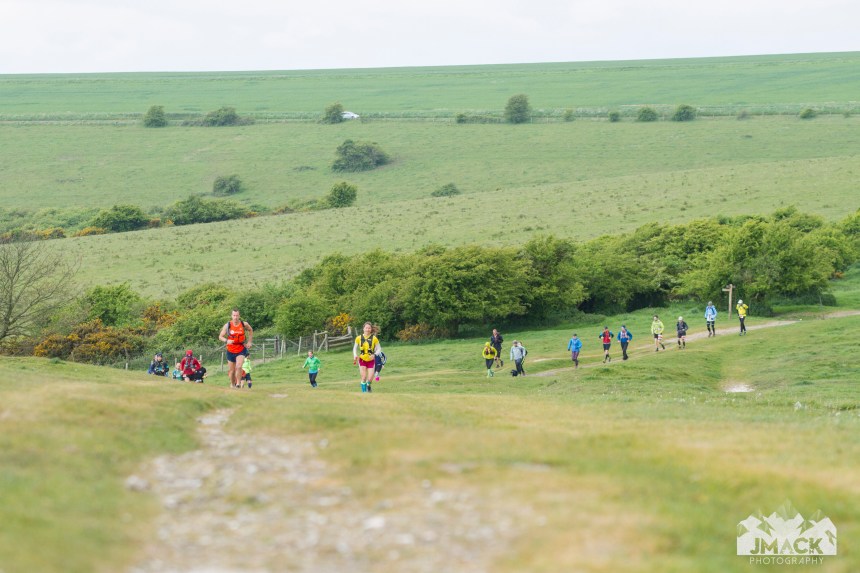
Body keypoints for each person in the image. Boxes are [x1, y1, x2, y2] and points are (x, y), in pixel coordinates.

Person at [219, 309, 253, 389]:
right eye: (234, 315)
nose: (235, 317)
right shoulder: (228, 325)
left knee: (239, 366)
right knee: (232, 371)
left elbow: (250, 330)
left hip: (241, 348)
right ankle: (232, 384)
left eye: (237, 315)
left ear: (239, 316)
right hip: (230, 349)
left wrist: (249, 342)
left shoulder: (244, 324)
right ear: (231, 316)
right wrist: (227, 340)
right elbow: (220, 336)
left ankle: (238, 384)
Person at [353, 321, 380, 392]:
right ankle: (364, 393)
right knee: (364, 377)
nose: (367, 329)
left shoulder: (374, 338)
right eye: (366, 328)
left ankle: (369, 385)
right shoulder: (358, 338)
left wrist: (374, 354)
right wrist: (355, 355)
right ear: (363, 329)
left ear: (371, 329)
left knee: (370, 378)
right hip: (362, 360)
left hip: (371, 360)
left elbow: (379, 349)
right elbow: (355, 348)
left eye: (369, 328)